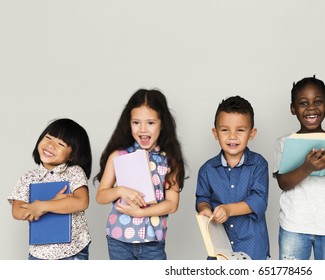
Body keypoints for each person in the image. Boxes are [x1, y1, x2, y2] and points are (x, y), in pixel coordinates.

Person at [95, 88, 185, 260]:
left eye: (150, 123)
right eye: (136, 123)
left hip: (153, 241)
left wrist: (141, 213)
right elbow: (101, 196)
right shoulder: (118, 156)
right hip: (118, 239)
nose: (143, 129)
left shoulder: (170, 160)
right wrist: (120, 190)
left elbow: (172, 204)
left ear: (162, 124)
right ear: (128, 123)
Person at [273, 76, 325, 260]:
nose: (311, 107)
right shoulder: (285, 142)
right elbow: (283, 183)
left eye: (318, 101)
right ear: (293, 108)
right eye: (303, 103)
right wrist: (307, 167)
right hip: (294, 226)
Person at [195, 95, 270, 260]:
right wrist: (205, 210)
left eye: (240, 130)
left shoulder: (259, 164)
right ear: (215, 133)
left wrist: (228, 210)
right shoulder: (207, 170)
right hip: (219, 249)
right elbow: (202, 198)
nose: (232, 136)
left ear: (252, 133)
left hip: (253, 247)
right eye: (225, 130)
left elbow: (259, 200)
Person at [8, 118, 92, 260]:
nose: (51, 145)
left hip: (73, 251)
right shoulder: (29, 177)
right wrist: (52, 203)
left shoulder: (74, 172)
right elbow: (17, 211)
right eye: (48, 138)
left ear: (72, 154)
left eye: (61, 144)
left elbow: (81, 202)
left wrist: (42, 206)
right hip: (39, 253)